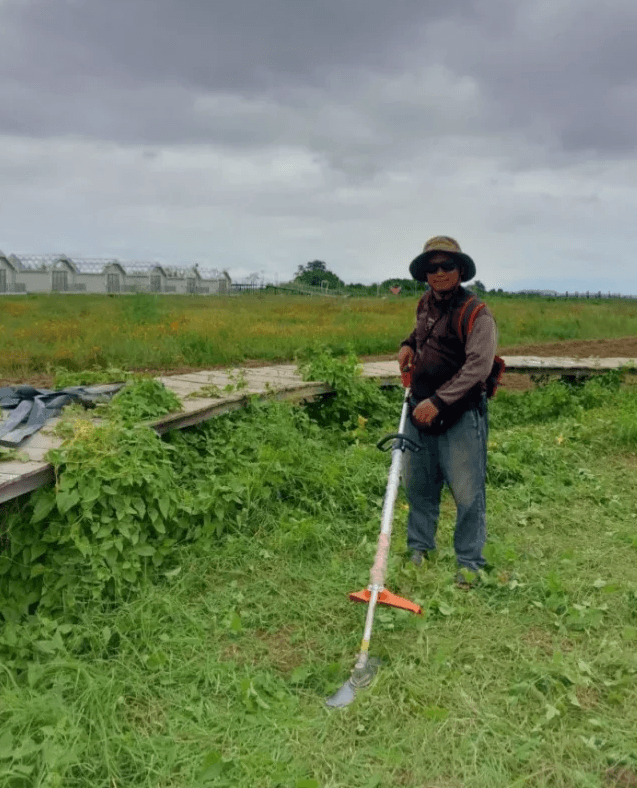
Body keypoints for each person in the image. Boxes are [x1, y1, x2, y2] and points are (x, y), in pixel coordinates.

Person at [397, 236, 497, 587]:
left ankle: (470, 561)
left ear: (459, 271)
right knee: (419, 486)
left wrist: (439, 401)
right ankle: (419, 548)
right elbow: (421, 333)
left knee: (468, 492)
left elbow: (478, 367)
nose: (439, 273)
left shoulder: (476, 313)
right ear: (425, 273)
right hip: (418, 409)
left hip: (459, 413)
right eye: (432, 267)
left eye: (446, 266)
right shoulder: (425, 304)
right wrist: (407, 345)